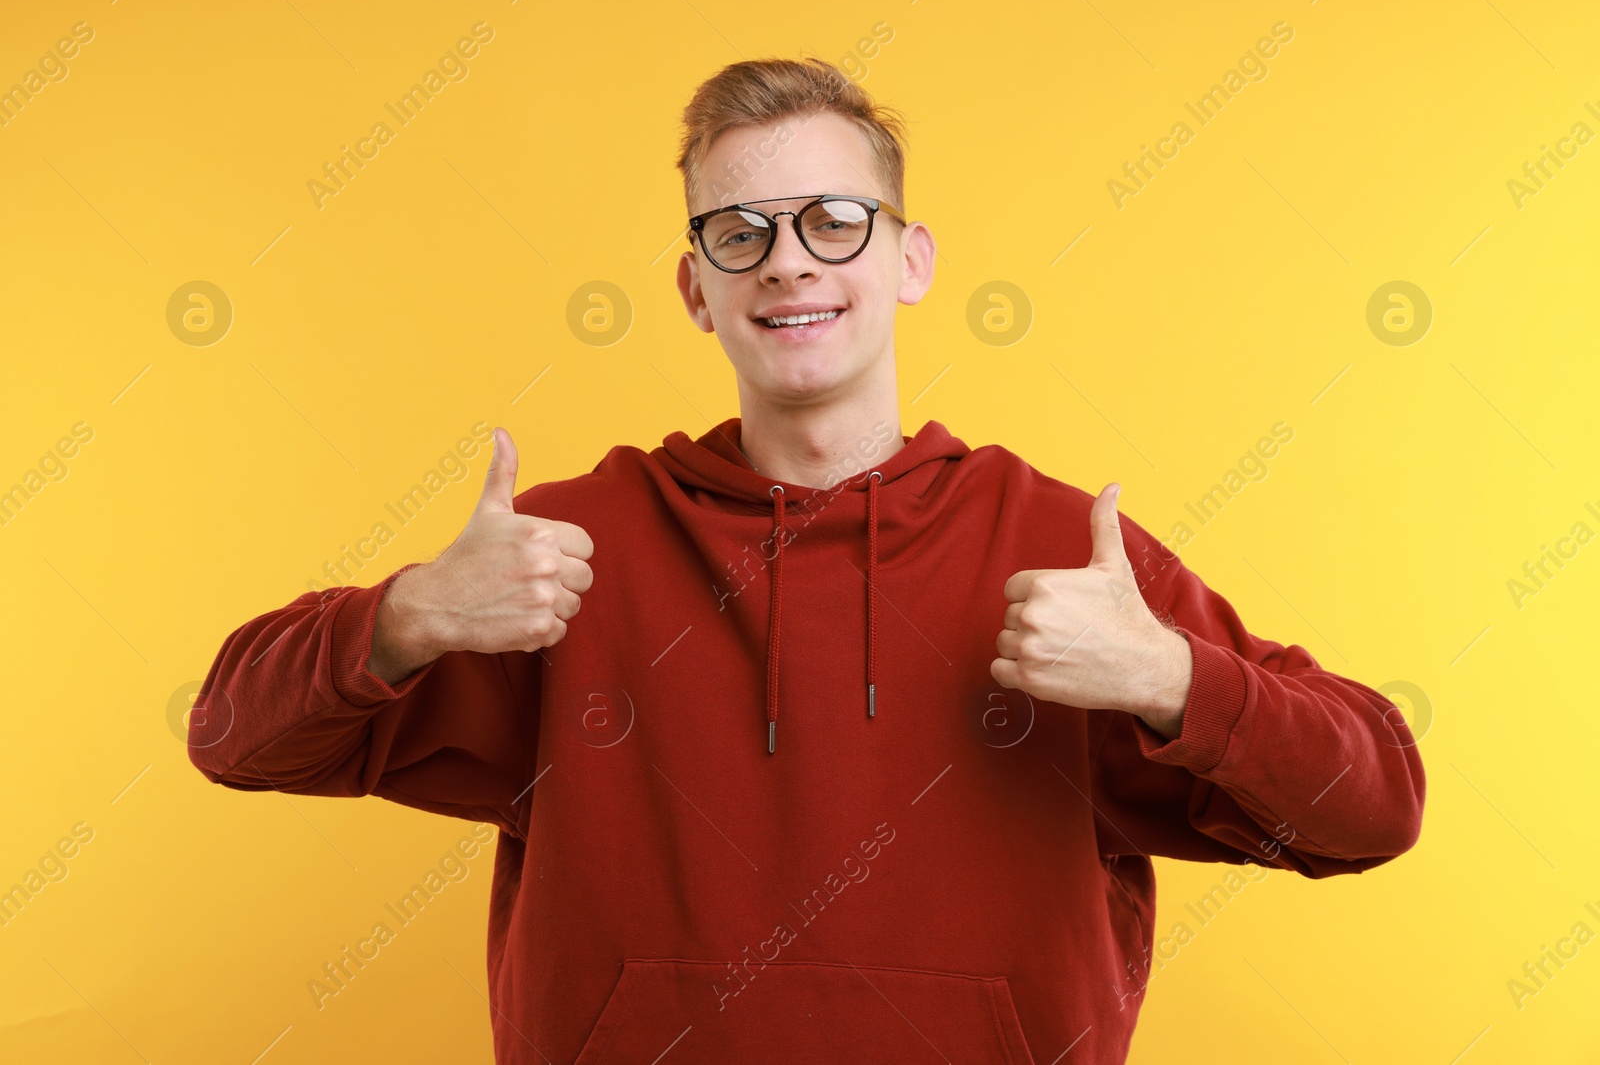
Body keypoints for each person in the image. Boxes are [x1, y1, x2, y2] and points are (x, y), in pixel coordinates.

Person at [189, 57, 1426, 1064]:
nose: (788, 261)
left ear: (909, 258)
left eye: (833, 221)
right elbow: (233, 736)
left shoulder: (1062, 556)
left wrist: (1170, 679)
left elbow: (1372, 808)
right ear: (695, 288)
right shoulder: (566, 552)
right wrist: (405, 619)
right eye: (740, 232)